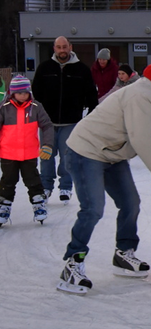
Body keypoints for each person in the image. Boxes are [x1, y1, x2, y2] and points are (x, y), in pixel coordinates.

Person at [57, 62, 151, 295]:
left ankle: (123, 253)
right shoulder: (141, 96)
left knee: (130, 203)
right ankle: (72, 263)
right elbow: (142, 137)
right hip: (86, 152)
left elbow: (145, 138)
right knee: (93, 208)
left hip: (111, 154)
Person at [31, 36, 98, 204]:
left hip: (71, 121)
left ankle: (65, 187)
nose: (62, 50)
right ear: (54, 48)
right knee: (46, 155)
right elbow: (36, 94)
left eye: (64, 47)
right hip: (47, 123)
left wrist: (91, 114)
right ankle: (46, 187)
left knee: (67, 157)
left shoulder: (81, 69)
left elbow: (91, 94)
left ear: (70, 47)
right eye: (59, 47)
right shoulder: (44, 68)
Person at [0, 76, 55, 225]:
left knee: (33, 180)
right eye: (20, 93)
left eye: (25, 92)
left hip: (29, 154)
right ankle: (3, 206)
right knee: (7, 181)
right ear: (13, 93)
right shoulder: (4, 107)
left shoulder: (36, 107)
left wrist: (48, 145)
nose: (23, 95)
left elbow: (47, 126)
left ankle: (38, 203)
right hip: (8, 154)